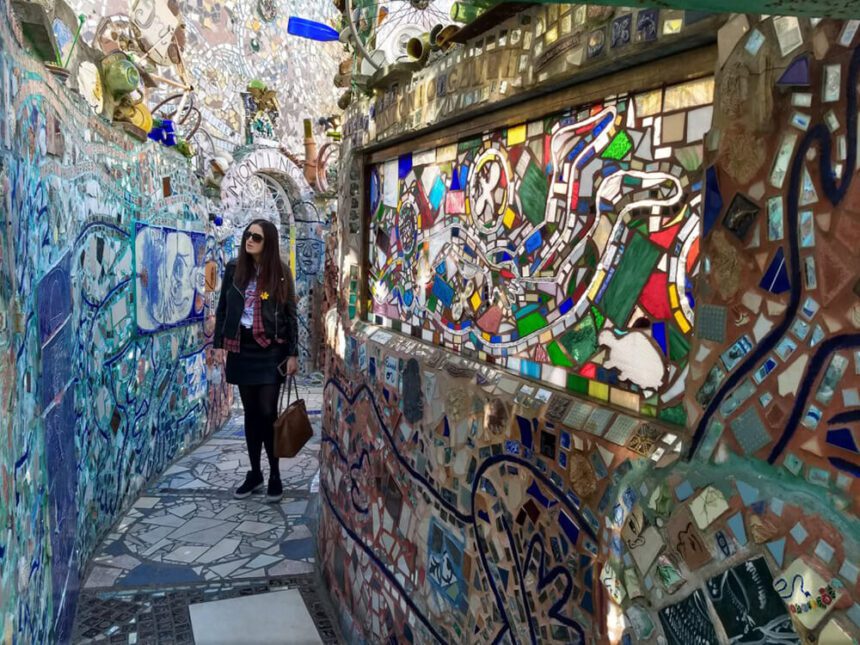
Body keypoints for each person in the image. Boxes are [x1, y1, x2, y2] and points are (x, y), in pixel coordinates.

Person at [214, 219, 298, 502]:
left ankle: (275, 473)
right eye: (247, 235)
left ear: (268, 242)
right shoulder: (234, 269)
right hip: (242, 347)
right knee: (251, 414)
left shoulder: (281, 273)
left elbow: (290, 315)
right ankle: (255, 473)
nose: (249, 240)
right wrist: (219, 343)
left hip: (271, 349)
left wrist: (293, 353)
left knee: (267, 412)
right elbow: (223, 307)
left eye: (257, 237)